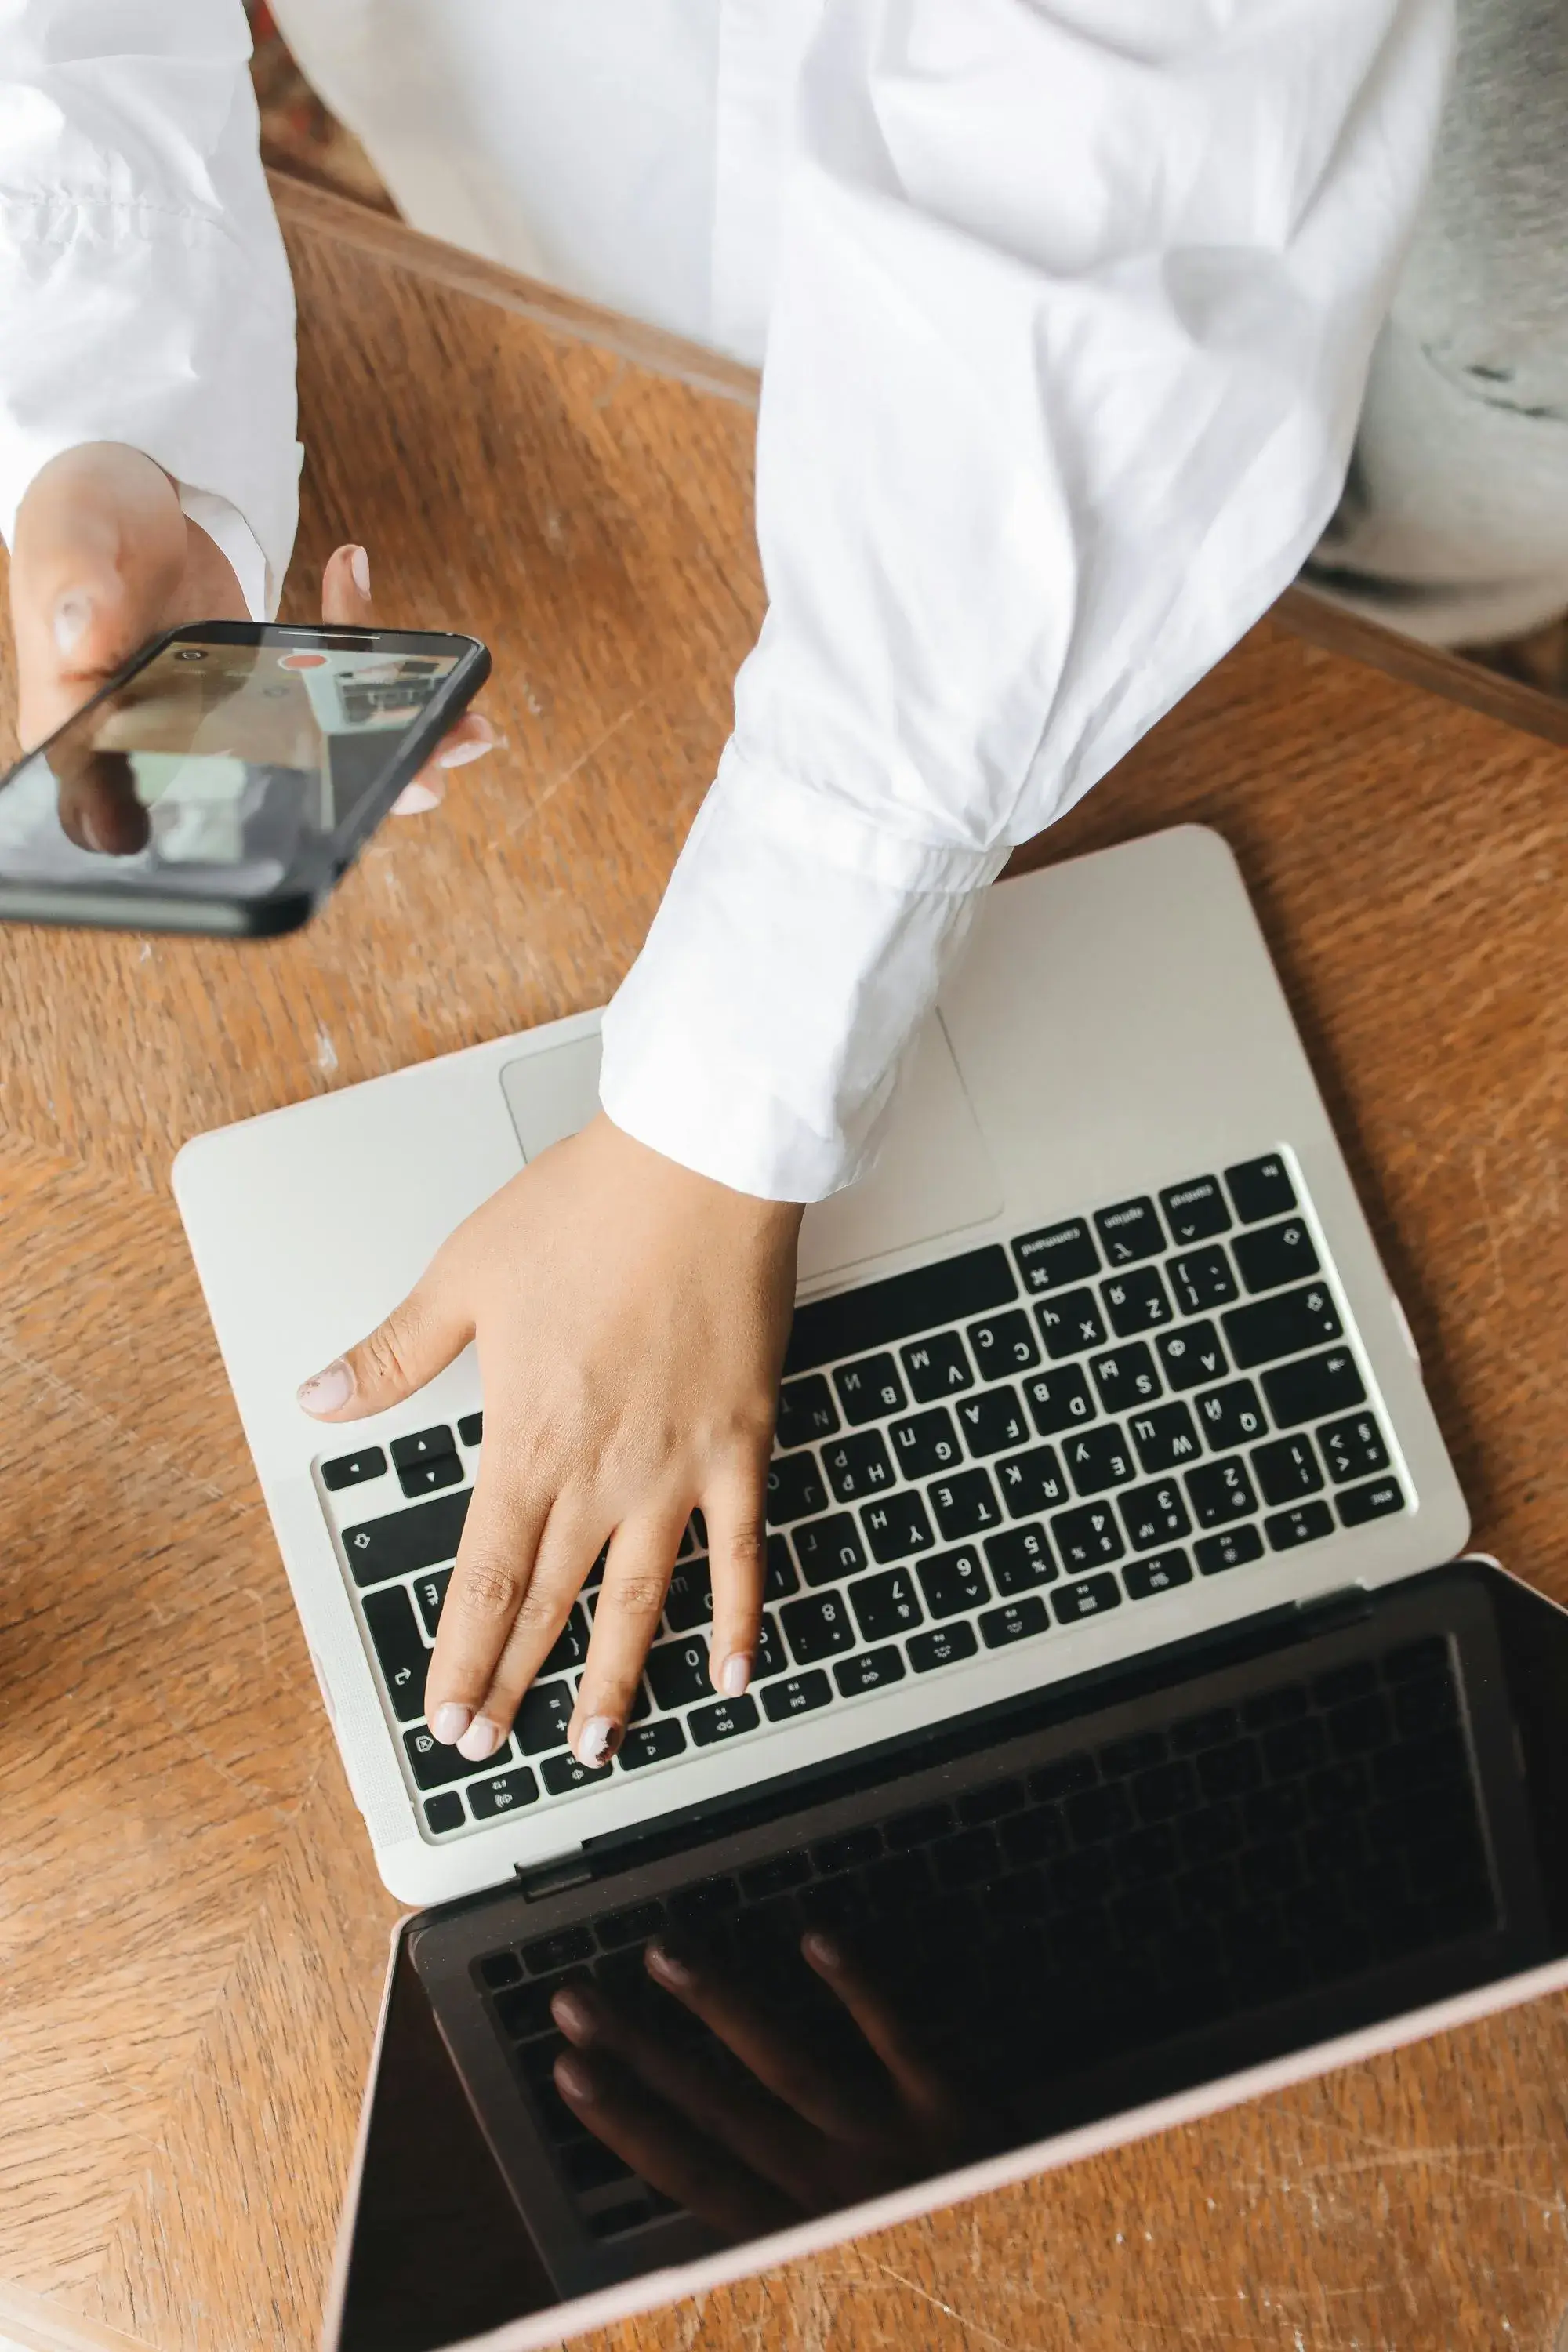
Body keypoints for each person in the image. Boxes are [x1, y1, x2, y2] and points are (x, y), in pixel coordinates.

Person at [1, 2, 1551, 1783]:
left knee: (1409, 546)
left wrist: (708, 1139)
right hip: (627, 217)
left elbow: (1131, 177)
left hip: (1354, 196)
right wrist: (124, 397)